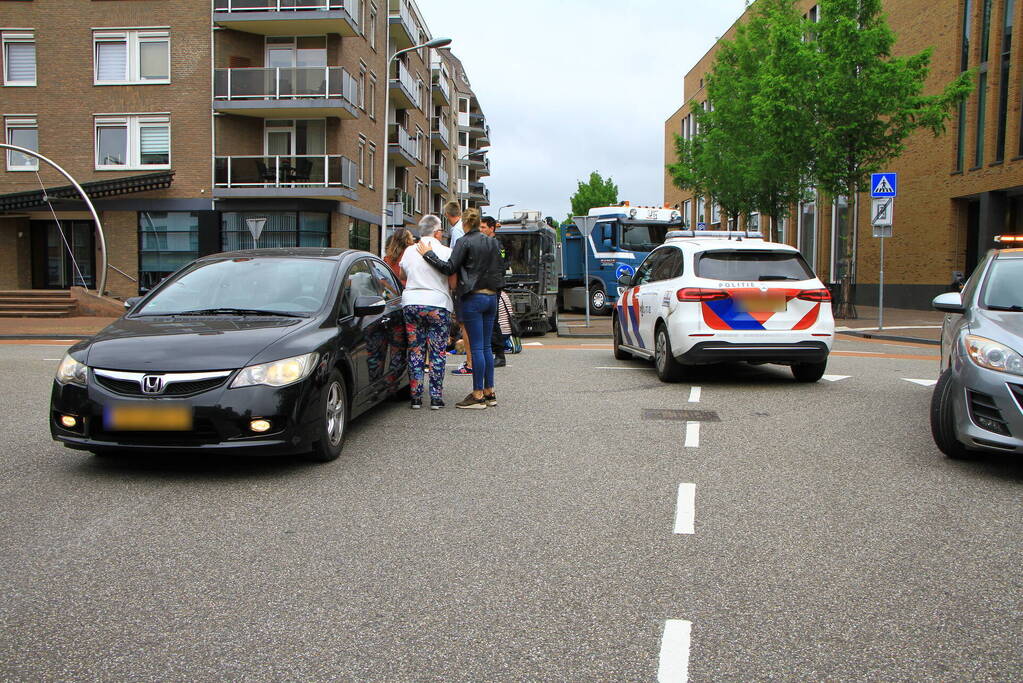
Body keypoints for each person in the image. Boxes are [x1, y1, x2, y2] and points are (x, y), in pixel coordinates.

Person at [417, 208, 504, 409]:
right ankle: (490, 392)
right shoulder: (492, 242)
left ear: (464, 223)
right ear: (478, 223)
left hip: (474, 297)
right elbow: (500, 268)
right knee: (486, 347)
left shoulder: (464, 242)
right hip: (492, 297)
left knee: (477, 347)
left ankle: (477, 395)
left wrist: (428, 255)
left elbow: (450, 267)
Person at [399, 215, 453, 410]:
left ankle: (416, 397)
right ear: (437, 233)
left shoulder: (409, 251)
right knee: (437, 351)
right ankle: (436, 397)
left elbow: (402, 275)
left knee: (415, 350)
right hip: (438, 304)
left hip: (412, 303)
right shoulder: (446, 251)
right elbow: (453, 281)